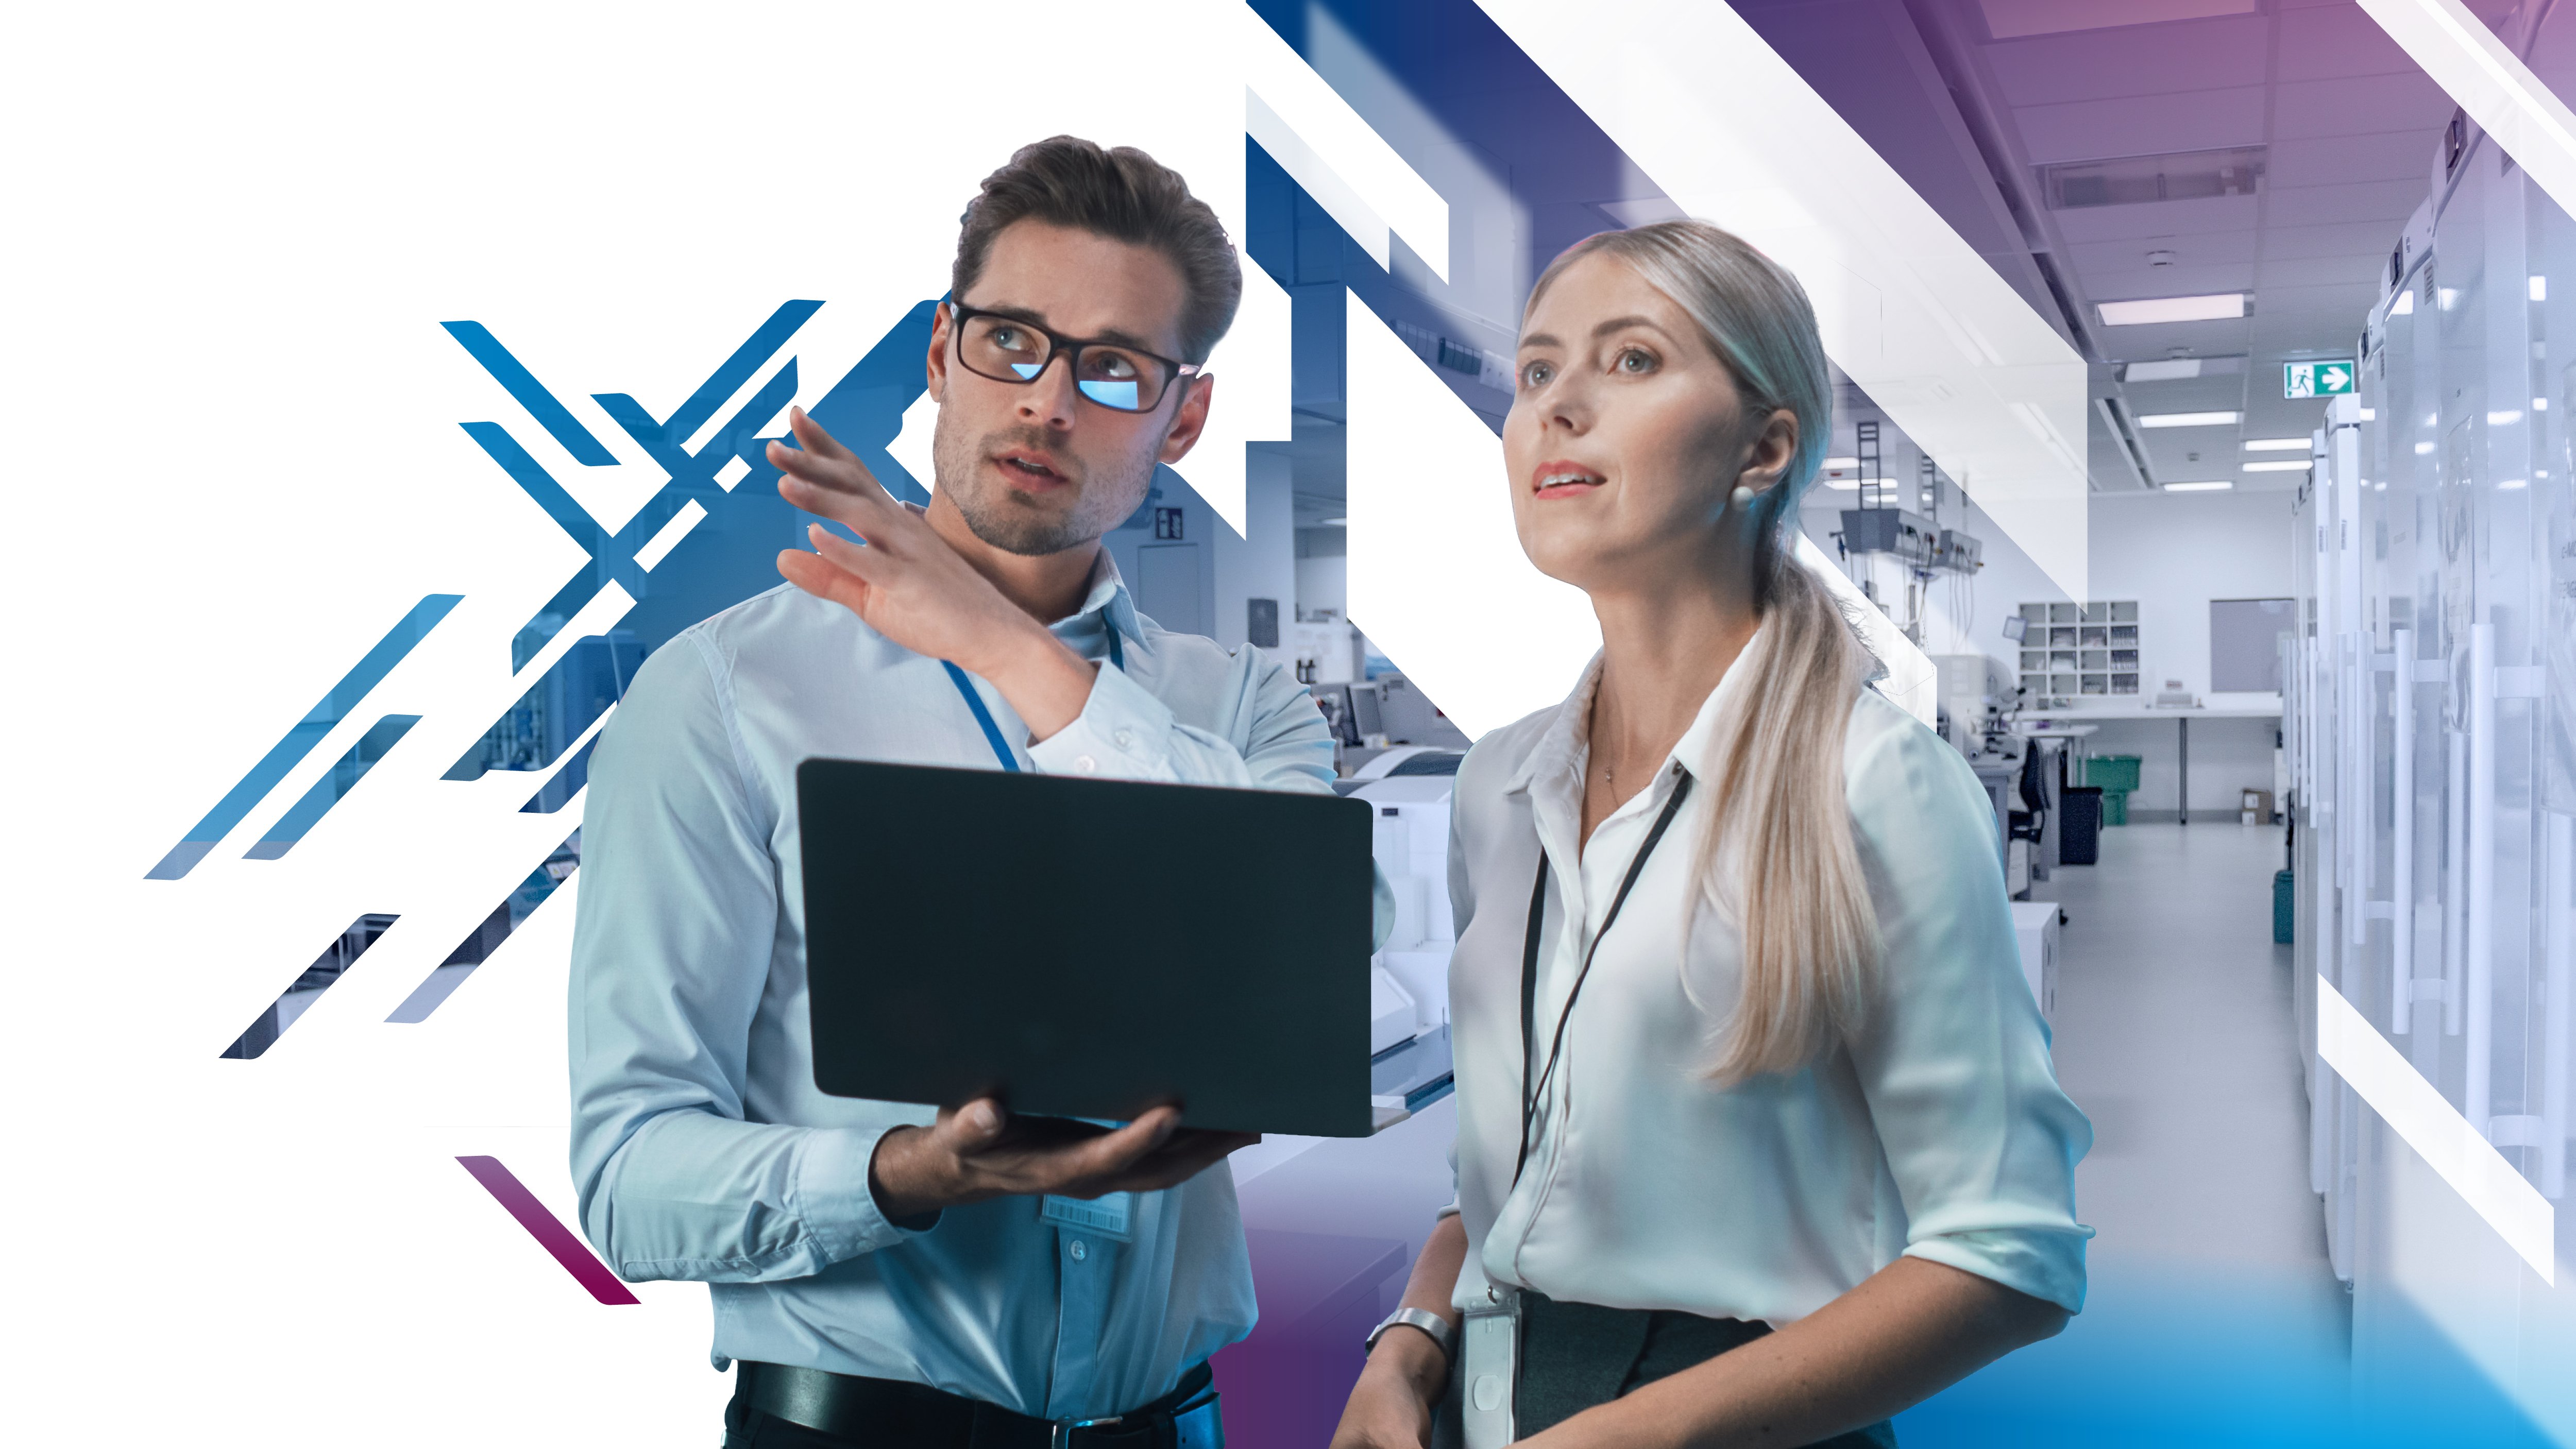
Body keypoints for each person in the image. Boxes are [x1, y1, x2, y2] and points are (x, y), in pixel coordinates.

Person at [569, 135, 1360, 1448]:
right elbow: (628, 1175)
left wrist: (1001, 644)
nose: (1047, 401)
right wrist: (902, 1177)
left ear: (1187, 418)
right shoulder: (721, 693)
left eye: (1113, 368)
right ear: (941, 353)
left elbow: (1308, 948)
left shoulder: (1245, 706)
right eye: (1011, 342)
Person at [1329, 221, 2092, 1449]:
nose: (1557, 407)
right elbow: (1513, 1175)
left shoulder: (1873, 784)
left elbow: (2009, 1256)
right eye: (1535, 372)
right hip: (1486, 1396)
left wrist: (1641, 1431)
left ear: (1762, 446)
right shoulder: (1501, 783)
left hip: (1751, 1415)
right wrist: (1410, 1343)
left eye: (1630, 361)